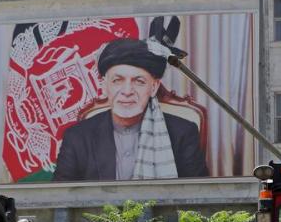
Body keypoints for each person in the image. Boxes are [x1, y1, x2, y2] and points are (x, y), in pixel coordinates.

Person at [52, 38, 209, 182]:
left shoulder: (184, 133)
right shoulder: (77, 137)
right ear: (105, 86)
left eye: (139, 81)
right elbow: (60, 198)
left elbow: (198, 198)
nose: (127, 91)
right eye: (117, 80)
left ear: (154, 87)